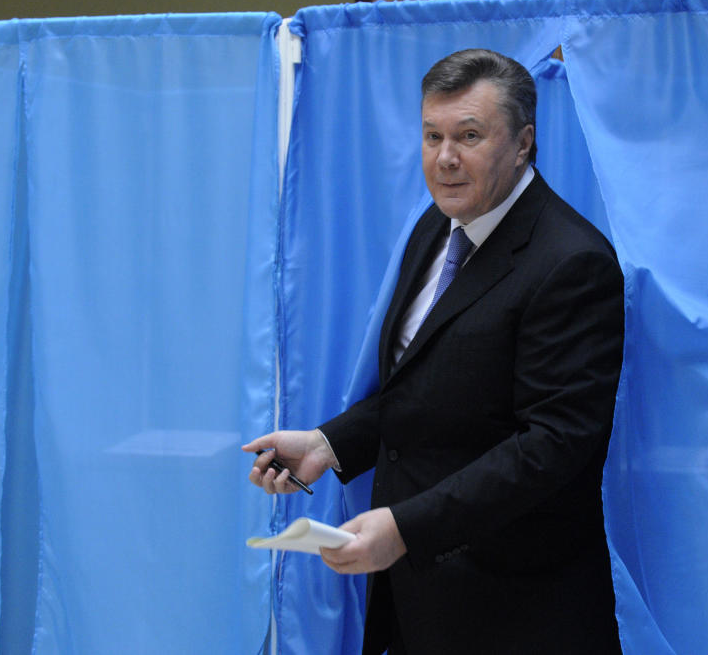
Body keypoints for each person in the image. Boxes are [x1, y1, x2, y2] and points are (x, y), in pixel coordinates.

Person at [244, 48, 624, 655]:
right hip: (420, 602)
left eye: (469, 136)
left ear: (524, 142)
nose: (444, 159)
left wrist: (405, 528)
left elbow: (555, 446)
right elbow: (426, 390)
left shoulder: (571, 262)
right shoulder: (436, 226)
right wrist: (329, 444)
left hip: (520, 611)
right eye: (432, 135)